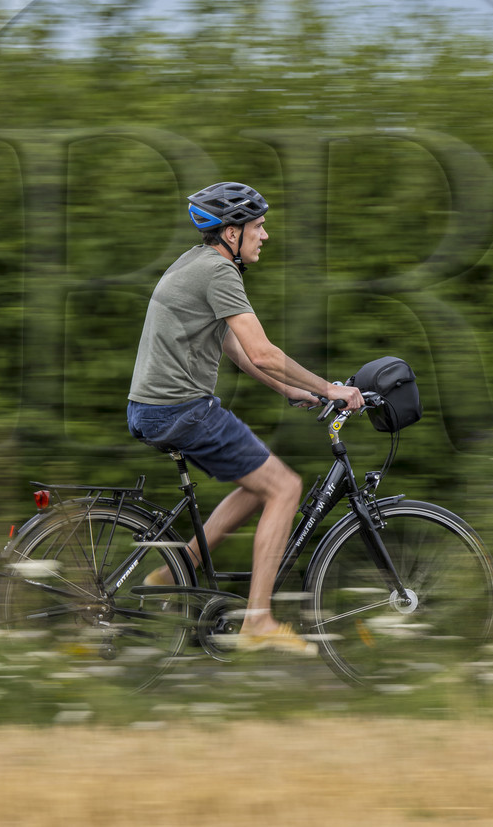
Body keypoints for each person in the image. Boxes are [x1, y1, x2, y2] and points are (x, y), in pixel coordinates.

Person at [127, 182, 363, 655]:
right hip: (181, 409)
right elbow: (263, 352)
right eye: (258, 226)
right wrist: (330, 389)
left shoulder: (194, 263)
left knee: (259, 485)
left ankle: (176, 569)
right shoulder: (218, 272)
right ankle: (258, 619)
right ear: (230, 233)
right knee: (285, 487)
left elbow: (234, 349)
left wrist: (290, 389)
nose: (265, 235)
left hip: (153, 409)